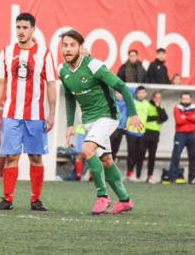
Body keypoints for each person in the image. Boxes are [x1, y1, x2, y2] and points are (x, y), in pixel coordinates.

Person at [59, 29, 143, 215]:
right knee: (106, 160)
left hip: (108, 116)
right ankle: (125, 201)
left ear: (81, 48)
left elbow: (121, 86)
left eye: (72, 45)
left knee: (87, 149)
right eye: (65, 45)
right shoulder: (63, 71)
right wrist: (70, 125)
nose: (68, 49)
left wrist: (133, 114)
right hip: (89, 121)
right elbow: (69, 97)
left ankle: (102, 197)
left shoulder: (94, 66)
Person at [0, 13, 57, 212]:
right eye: (18, 27)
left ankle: (36, 200)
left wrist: (52, 113)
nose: (21, 31)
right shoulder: (6, 52)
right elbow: (0, 82)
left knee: (35, 156)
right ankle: (7, 199)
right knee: (11, 157)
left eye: (25, 27)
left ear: (33, 29)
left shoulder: (44, 54)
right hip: (12, 115)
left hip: (36, 116)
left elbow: (51, 84)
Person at [167, 92, 195, 184]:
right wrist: (190, 116)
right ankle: (172, 178)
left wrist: (185, 116)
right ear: (181, 99)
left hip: (192, 135)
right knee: (176, 156)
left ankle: (192, 179)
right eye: (184, 98)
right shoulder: (177, 108)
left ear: (190, 99)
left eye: (187, 98)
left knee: (192, 157)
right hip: (180, 134)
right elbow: (179, 121)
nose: (185, 100)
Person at [137, 91, 168, 183]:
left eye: (159, 98)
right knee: (141, 155)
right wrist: (156, 118)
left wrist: (158, 108)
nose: (157, 99)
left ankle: (149, 176)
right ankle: (138, 175)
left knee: (152, 156)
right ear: (153, 98)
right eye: (156, 97)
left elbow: (164, 118)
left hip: (155, 134)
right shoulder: (147, 105)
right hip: (145, 133)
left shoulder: (160, 107)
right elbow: (144, 118)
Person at [124, 86, 149, 182]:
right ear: (136, 94)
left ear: (146, 94)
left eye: (143, 92)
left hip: (141, 132)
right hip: (131, 131)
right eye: (139, 93)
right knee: (131, 153)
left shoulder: (147, 104)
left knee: (140, 154)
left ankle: (138, 175)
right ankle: (129, 173)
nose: (141, 94)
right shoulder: (132, 102)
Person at [109, 91, 129, 160]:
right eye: (117, 93)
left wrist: (127, 124)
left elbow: (128, 115)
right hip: (113, 128)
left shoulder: (127, 103)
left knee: (116, 148)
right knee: (109, 148)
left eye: (120, 93)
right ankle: (106, 166)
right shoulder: (112, 102)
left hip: (121, 128)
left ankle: (112, 165)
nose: (119, 95)